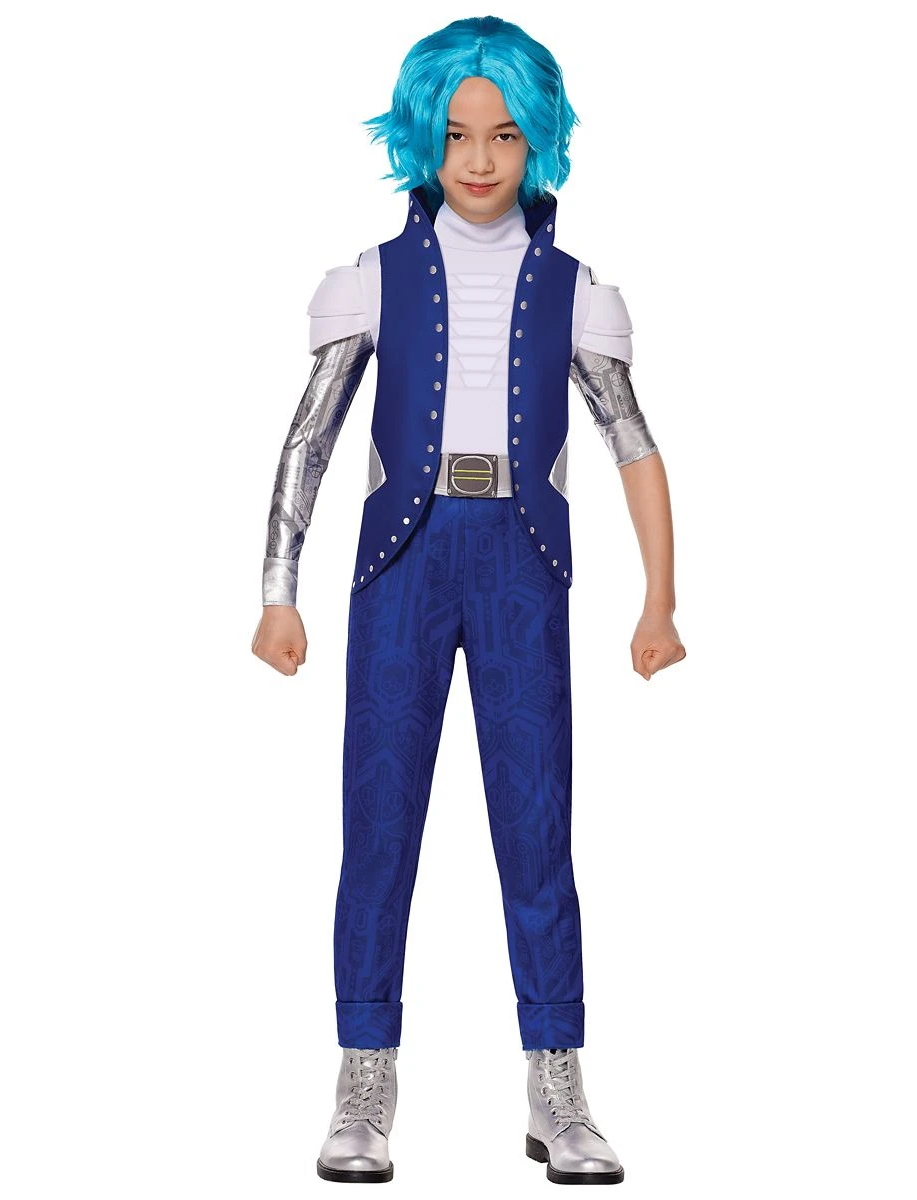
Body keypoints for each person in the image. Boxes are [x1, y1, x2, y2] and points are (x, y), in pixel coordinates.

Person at [251, 16, 685, 1185]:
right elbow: (308, 440)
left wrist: (659, 599)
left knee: (537, 828)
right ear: (419, 139)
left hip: (521, 566)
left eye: (502, 136)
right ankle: (363, 1072)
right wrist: (279, 589)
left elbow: (631, 441)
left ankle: (555, 1078)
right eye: (454, 135)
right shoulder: (371, 279)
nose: (479, 159)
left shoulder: (574, 292)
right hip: (399, 560)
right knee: (377, 820)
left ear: (536, 142)